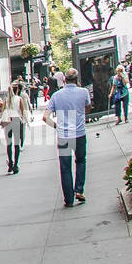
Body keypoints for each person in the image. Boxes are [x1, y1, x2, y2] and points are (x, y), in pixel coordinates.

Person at [44, 68, 91, 207]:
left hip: (64, 135)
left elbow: (45, 117)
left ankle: (68, 199)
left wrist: (56, 126)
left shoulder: (57, 96)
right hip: (79, 133)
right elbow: (88, 108)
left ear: (64, 80)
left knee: (65, 167)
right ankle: (79, 189)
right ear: (77, 79)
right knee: (81, 161)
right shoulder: (84, 92)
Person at [0, 79, 32, 174]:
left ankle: (10, 162)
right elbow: (22, 111)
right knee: (16, 144)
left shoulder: (6, 100)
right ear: (17, 90)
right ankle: (16, 165)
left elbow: (2, 111)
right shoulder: (19, 99)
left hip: (8, 121)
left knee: (9, 144)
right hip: (16, 120)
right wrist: (25, 120)